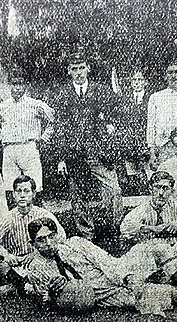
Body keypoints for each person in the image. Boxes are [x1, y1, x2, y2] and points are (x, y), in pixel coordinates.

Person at [26, 217, 177, 315]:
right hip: (103, 295)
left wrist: (127, 277)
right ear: (33, 244)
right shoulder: (37, 267)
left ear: (57, 235)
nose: (48, 243)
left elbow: (105, 260)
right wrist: (53, 294)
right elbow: (44, 302)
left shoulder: (76, 243)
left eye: (51, 237)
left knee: (159, 248)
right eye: (41, 240)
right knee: (171, 295)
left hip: (118, 270)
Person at [53, 51, 122, 240]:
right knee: (78, 196)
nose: (78, 73)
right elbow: (60, 128)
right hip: (75, 155)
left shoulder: (102, 91)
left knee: (113, 191)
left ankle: (115, 229)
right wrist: (61, 158)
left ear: (88, 68)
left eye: (81, 68)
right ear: (68, 71)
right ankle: (86, 234)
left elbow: (115, 118)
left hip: (99, 154)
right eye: (74, 69)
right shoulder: (63, 95)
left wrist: (108, 133)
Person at [0, 174, 66, 297]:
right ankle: (21, 286)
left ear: (34, 193)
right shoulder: (7, 217)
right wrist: (5, 256)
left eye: (26, 191)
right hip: (15, 263)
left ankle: (16, 287)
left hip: (38, 259)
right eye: (18, 191)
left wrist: (36, 253)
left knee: (45, 270)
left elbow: (62, 237)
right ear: (13, 194)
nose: (22, 195)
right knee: (0, 265)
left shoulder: (43, 214)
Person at [0, 73, 54, 207]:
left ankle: (37, 220)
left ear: (25, 85)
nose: (17, 88)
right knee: (11, 188)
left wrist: (43, 139)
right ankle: (15, 222)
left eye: (20, 84)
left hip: (29, 148)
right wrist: (1, 138)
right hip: (10, 149)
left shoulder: (35, 105)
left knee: (34, 186)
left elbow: (52, 121)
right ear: (9, 85)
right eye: (14, 84)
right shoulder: (2, 106)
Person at [119, 171, 177, 263]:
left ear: (171, 191)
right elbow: (125, 226)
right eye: (157, 187)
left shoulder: (176, 207)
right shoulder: (143, 209)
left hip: (174, 251)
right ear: (150, 189)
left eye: (165, 188)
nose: (161, 193)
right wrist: (152, 228)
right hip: (150, 254)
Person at [115, 68, 151, 196]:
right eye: (134, 80)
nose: (137, 83)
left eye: (140, 80)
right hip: (129, 142)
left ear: (145, 82)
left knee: (146, 172)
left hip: (145, 140)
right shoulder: (124, 99)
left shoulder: (151, 98)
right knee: (131, 172)